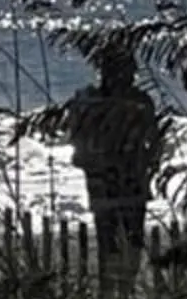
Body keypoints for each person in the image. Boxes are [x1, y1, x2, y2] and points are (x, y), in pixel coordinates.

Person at [64, 33, 169, 271]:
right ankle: (119, 288)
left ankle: (117, 288)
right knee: (121, 245)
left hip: (114, 185)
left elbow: (77, 148)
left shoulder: (88, 103)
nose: (129, 77)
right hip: (119, 186)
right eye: (126, 71)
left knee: (118, 245)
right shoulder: (135, 103)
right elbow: (154, 143)